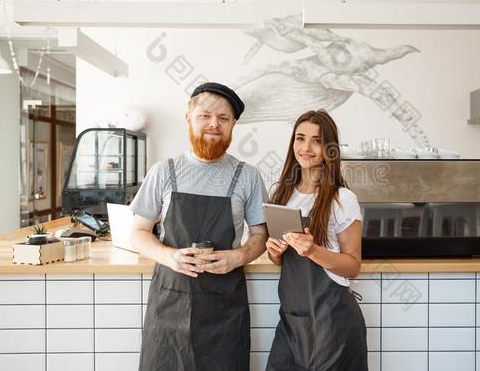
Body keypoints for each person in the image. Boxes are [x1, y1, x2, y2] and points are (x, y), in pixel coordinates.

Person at [130, 82, 269, 371]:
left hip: (225, 311)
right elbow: (138, 233)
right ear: (189, 119)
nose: (214, 124)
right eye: (205, 115)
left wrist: (238, 256)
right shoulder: (163, 172)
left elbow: (260, 235)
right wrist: (170, 257)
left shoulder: (248, 176)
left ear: (232, 126)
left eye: (224, 118)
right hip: (169, 304)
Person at [265, 109, 368, 371]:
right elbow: (280, 260)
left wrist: (312, 251)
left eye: (317, 140)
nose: (306, 147)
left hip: (332, 324)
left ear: (329, 148)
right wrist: (274, 251)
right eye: (300, 138)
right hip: (291, 323)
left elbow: (353, 265)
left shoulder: (342, 199)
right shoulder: (282, 194)